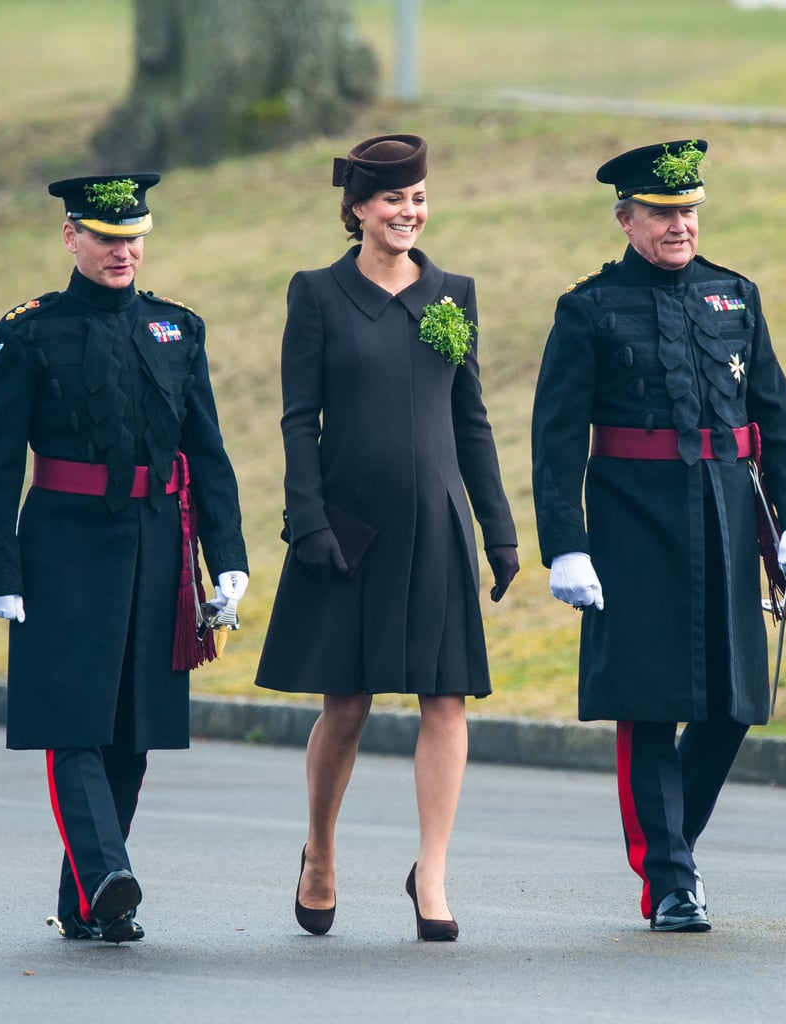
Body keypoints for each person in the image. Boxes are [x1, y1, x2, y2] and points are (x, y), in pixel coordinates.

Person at [531, 139, 786, 932]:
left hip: (726, 516)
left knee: (734, 702)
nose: (678, 225)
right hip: (633, 523)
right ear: (625, 219)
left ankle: (670, 849)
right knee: (649, 701)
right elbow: (555, 437)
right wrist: (566, 542)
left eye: (688, 210)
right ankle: (669, 878)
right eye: (660, 213)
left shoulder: (734, 296)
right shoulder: (587, 308)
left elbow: (777, 418)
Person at [0, 173, 248, 943]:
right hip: (63, 540)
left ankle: (89, 899)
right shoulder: (26, 332)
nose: (122, 251)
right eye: (104, 236)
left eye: (132, 237)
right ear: (71, 237)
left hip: (157, 541)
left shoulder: (177, 328)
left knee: (134, 730)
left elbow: (209, 454)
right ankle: (107, 874)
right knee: (74, 720)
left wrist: (226, 557)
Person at [255, 134, 519, 941]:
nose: (410, 212)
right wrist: (306, 520)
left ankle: (430, 874)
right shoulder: (317, 294)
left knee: (446, 698)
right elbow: (300, 421)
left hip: (437, 525)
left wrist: (499, 530)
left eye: (419, 198)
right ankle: (321, 856)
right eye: (394, 200)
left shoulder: (452, 294)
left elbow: (469, 418)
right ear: (358, 210)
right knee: (348, 703)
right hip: (350, 527)